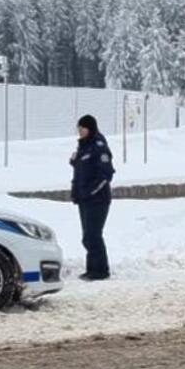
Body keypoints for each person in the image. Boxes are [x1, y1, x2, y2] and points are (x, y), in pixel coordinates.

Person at [70, 114, 115, 281]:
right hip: (84, 199)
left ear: (90, 128)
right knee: (87, 236)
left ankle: (101, 270)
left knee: (93, 235)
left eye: (83, 128)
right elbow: (83, 170)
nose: (80, 131)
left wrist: (91, 192)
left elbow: (106, 174)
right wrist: (74, 162)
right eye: (79, 128)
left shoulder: (98, 146)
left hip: (98, 199)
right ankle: (91, 269)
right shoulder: (84, 146)